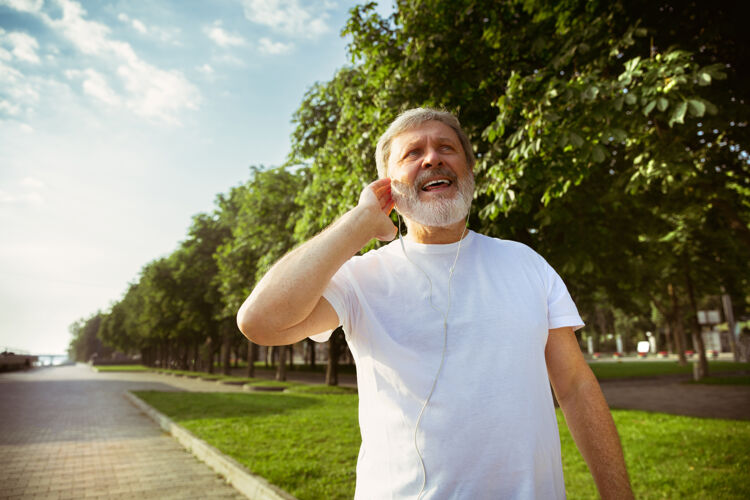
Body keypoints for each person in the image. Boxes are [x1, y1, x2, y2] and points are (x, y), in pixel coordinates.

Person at [237, 108, 633, 499]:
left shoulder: (527, 263)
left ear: (468, 170)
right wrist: (360, 221)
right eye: (412, 153)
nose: (432, 158)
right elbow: (260, 321)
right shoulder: (358, 278)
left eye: (447, 147)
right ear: (386, 185)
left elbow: (576, 387)